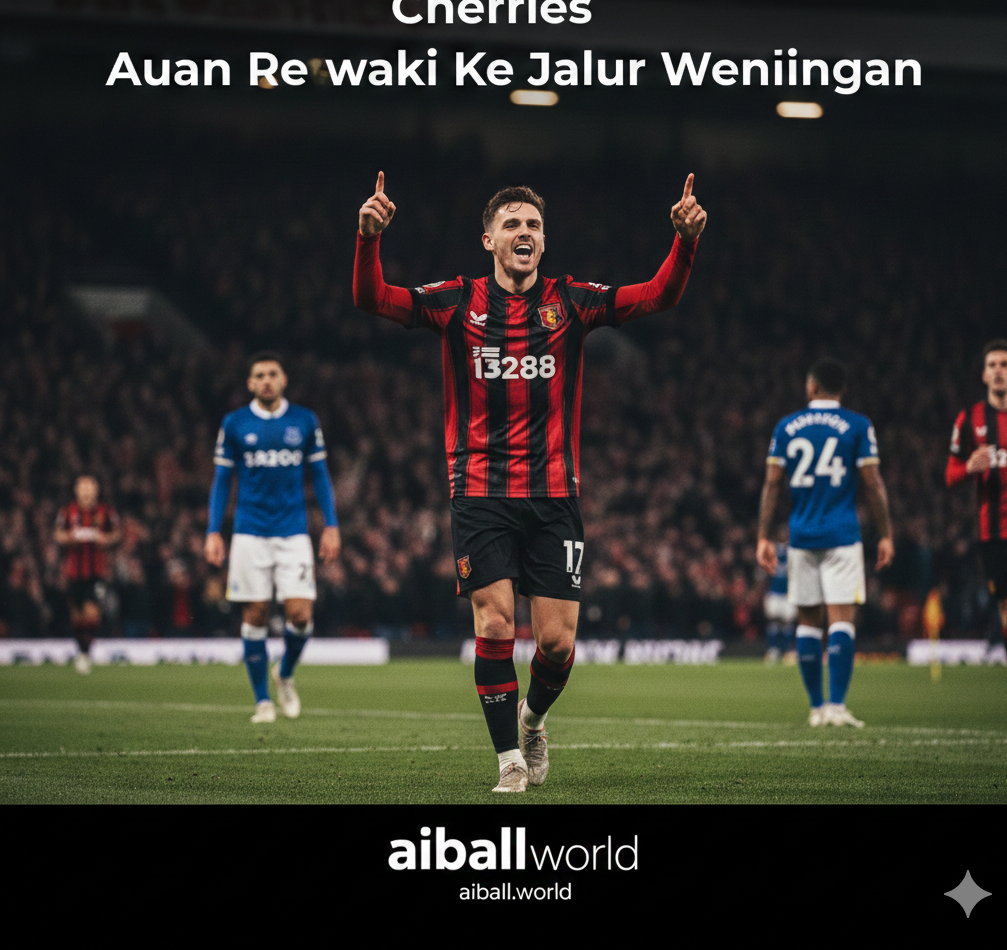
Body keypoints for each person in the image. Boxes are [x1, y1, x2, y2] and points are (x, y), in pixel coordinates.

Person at [354, 170, 706, 792]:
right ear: (487, 240)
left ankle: (533, 719)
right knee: (493, 625)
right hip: (480, 491)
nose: (524, 231)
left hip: (554, 495)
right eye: (512, 223)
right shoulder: (456, 301)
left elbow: (657, 296)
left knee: (555, 645)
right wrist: (367, 239)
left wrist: (683, 243)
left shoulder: (571, 301)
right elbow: (373, 298)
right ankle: (507, 761)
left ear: (544, 242)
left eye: (534, 225)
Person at [756, 358, 894, 727]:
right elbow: (872, 483)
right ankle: (836, 706)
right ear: (842, 389)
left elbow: (772, 483)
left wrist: (763, 536)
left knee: (807, 625)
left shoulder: (787, 426)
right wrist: (885, 533)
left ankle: (816, 709)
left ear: (812, 387)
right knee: (842, 624)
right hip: (842, 535)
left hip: (801, 536)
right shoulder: (857, 425)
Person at [205, 352, 341, 722]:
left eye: (272, 374)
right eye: (259, 375)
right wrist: (213, 531)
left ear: (284, 380)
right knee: (256, 614)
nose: (266, 380)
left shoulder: (304, 420)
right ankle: (263, 701)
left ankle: (284, 673)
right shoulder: (234, 423)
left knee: (300, 614)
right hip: (249, 532)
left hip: (293, 531)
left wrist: (331, 524)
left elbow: (320, 476)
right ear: (250, 383)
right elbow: (222, 481)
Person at [946, 339, 1007, 723]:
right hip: (997, 535)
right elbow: (950, 474)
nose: (997, 369)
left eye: (1004, 363)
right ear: (983, 374)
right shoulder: (970, 419)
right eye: (991, 363)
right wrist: (969, 469)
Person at [53, 475, 121, 674]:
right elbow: (57, 534)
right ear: (76, 490)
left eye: (90, 487)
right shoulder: (67, 511)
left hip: (97, 572)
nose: (86, 490)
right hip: (74, 573)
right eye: (82, 487)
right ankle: (82, 651)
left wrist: (106, 538)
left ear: (96, 490)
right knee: (77, 617)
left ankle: (85, 653)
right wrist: (68, 537)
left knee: (92, 613)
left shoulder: (105, 511)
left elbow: (117, 533)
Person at [762, 533, 797, 665]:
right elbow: (764, 573)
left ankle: (787, 651)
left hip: (788, 594)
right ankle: (773, 650)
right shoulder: (772, 551)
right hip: (774, 593)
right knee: (774, 622)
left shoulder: (793, 551)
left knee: (788, 623)